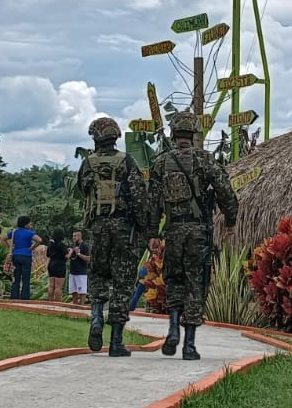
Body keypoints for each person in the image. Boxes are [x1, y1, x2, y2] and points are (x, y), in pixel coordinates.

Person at [148, 112, 237, 359]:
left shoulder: (160, 163)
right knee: (196, 283)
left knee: (174, 279)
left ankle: (173, 328)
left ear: (174, 134)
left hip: (173, 231)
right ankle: (189, 345)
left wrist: (152, 233)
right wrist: (230, 220)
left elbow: (152, 202)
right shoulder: (205, 160)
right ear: (194, 133)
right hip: (199, 231)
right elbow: (225, 190)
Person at [76, 116, 150, 357]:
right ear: (115, 136)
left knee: (98, 274)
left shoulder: (88, 163)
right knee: (123, 282)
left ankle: (97, 316)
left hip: (98, 228)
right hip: (123, 229)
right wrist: (144, 228)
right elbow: (139, 197)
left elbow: (82, 189)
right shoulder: (127, 161)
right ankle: (116, 341)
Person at [7, 215, 40, 300]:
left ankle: (14, 296)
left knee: (16, 278)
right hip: (26, 256)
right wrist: (32, 248)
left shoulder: (14, 232)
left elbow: (3, 238)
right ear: (26, 225)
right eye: (29, 224)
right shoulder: (29, 233)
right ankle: (25, 297)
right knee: (26, 279)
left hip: (16, 255)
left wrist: (9, 247)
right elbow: (39, 240)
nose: (30, 225)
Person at [45, 229, 69, 303]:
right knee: (58, 287)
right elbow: (67, 256)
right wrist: (71, 251)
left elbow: (47, 255)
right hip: (60, 265)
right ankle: (58, 303)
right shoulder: (61, 244)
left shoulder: (50, 244)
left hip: (51, 264)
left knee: (51, 285)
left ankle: (50, 302)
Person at [67, 230, 90, 303]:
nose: (73, 237)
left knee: (82, 292)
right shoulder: (72, 245)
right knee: (73, 291)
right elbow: (70, 257)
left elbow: (88, 259)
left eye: (75, 236)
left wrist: (79, 254)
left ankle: (82, 306)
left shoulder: (85, 246)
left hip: (81, 273)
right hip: (72, 272)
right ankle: (75, 306)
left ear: (80, 236)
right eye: (73, 236)